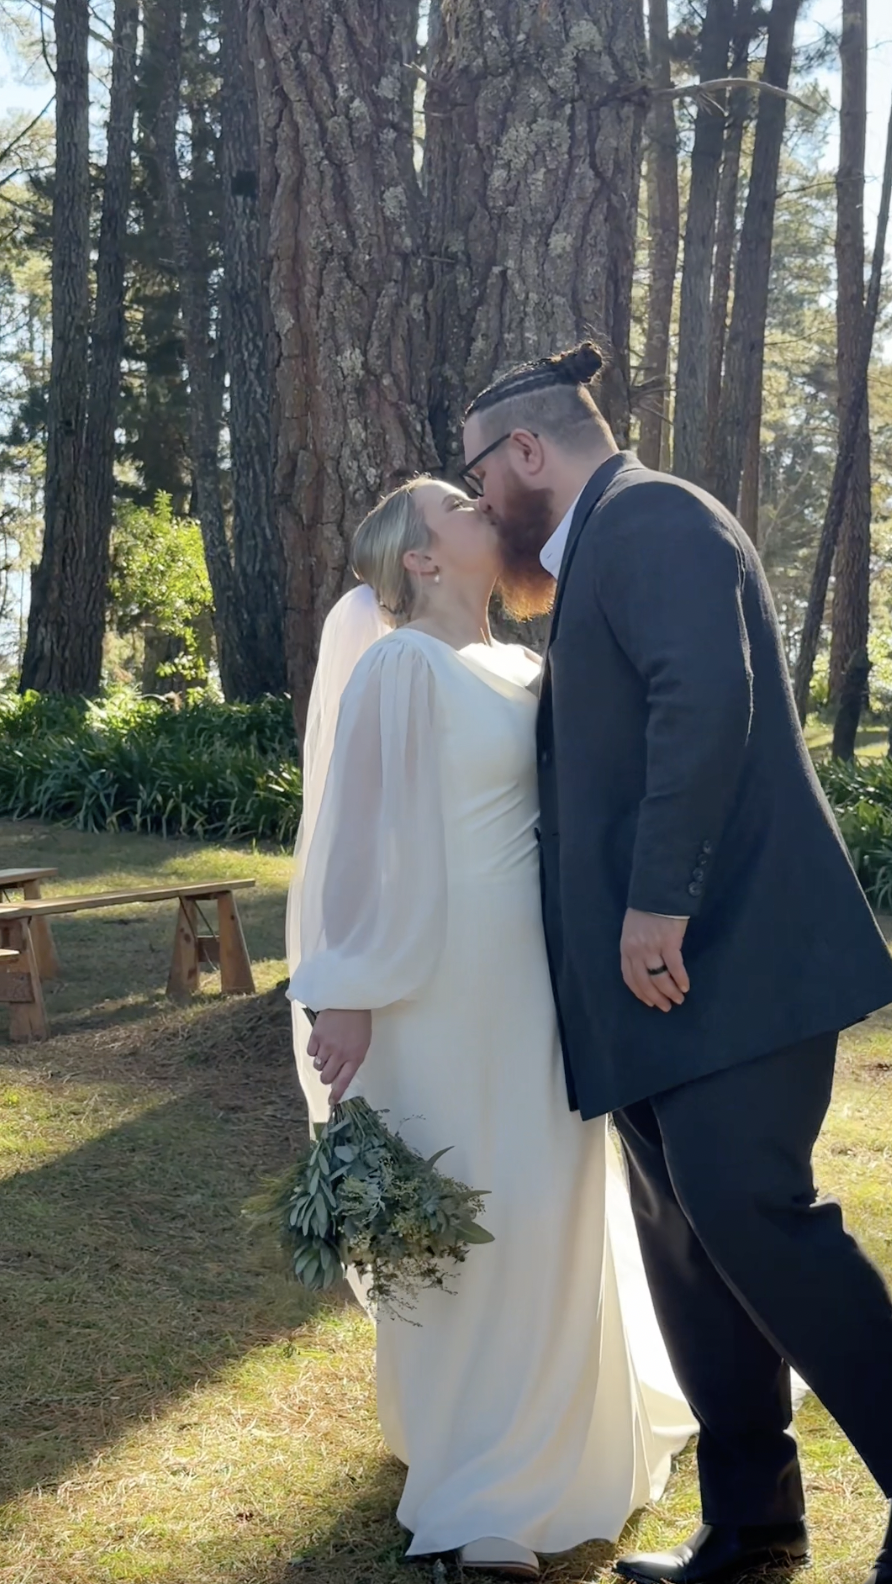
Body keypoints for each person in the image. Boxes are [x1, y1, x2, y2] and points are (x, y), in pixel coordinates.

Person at [461, 341, 892, 1584]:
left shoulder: (652, 516)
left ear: (528, 451)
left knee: (760, 1223)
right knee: (691, 1252)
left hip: (727, 961)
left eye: (483, 475)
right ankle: (753, 1530)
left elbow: (704, 698)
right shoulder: (605, 538)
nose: (484, 503)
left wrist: (657, 904)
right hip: (654, 998)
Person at [286, 478, 695, 1578]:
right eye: (459, 508)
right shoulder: (398, 664)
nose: (484, 512)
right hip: (434, 991)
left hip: (537, 983)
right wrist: (351, 990)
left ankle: (562, 1445)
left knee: (544, 1201)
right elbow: (356, 842)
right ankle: (482, 1494)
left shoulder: (524, 668)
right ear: (420, 559)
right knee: (462, 1209)